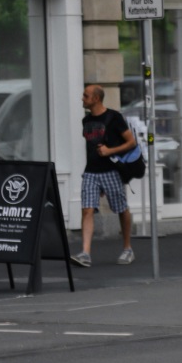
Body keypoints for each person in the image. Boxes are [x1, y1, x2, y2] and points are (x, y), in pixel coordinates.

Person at [73, 84, 136, 267]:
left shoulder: (114, 117)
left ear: (96, 99)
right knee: (87, 210)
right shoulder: (86, 121)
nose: (82, 98)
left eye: (85, 96)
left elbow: (131, 142)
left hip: (111, 171)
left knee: (121, 208)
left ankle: (127, 248)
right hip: (91, 172)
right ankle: (85, 253)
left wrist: (110, 151)